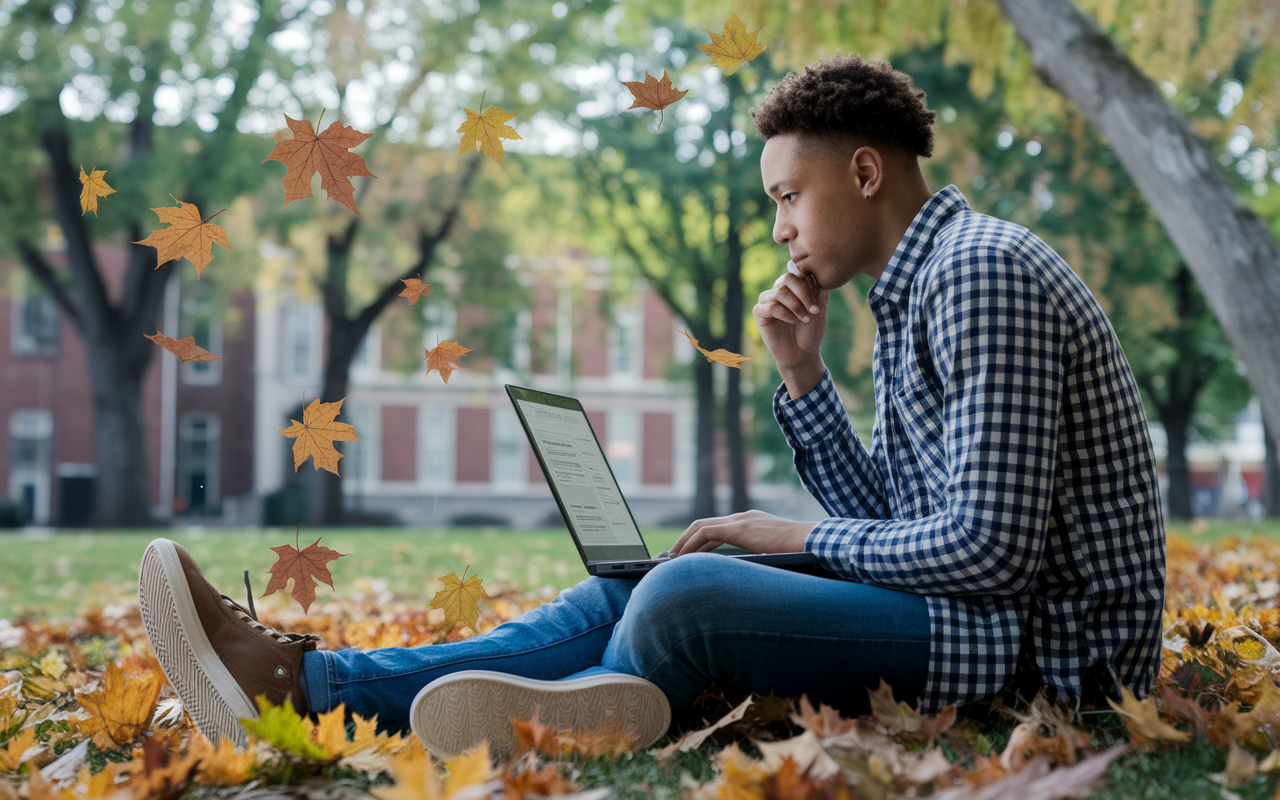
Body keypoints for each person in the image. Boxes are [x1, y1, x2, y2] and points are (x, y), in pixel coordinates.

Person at [139, 53, 1165, 758]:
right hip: (973, 611)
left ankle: (591, 703)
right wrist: (802, 376)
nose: (778, 232)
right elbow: (902, 524)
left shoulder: (979, 273)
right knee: (640, 586)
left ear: (862, 170)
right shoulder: (911, 297)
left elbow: (985, 551)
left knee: (688, 597)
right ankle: (313, 687)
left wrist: (780, 534)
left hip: (1051, 653)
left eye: (785, 196)